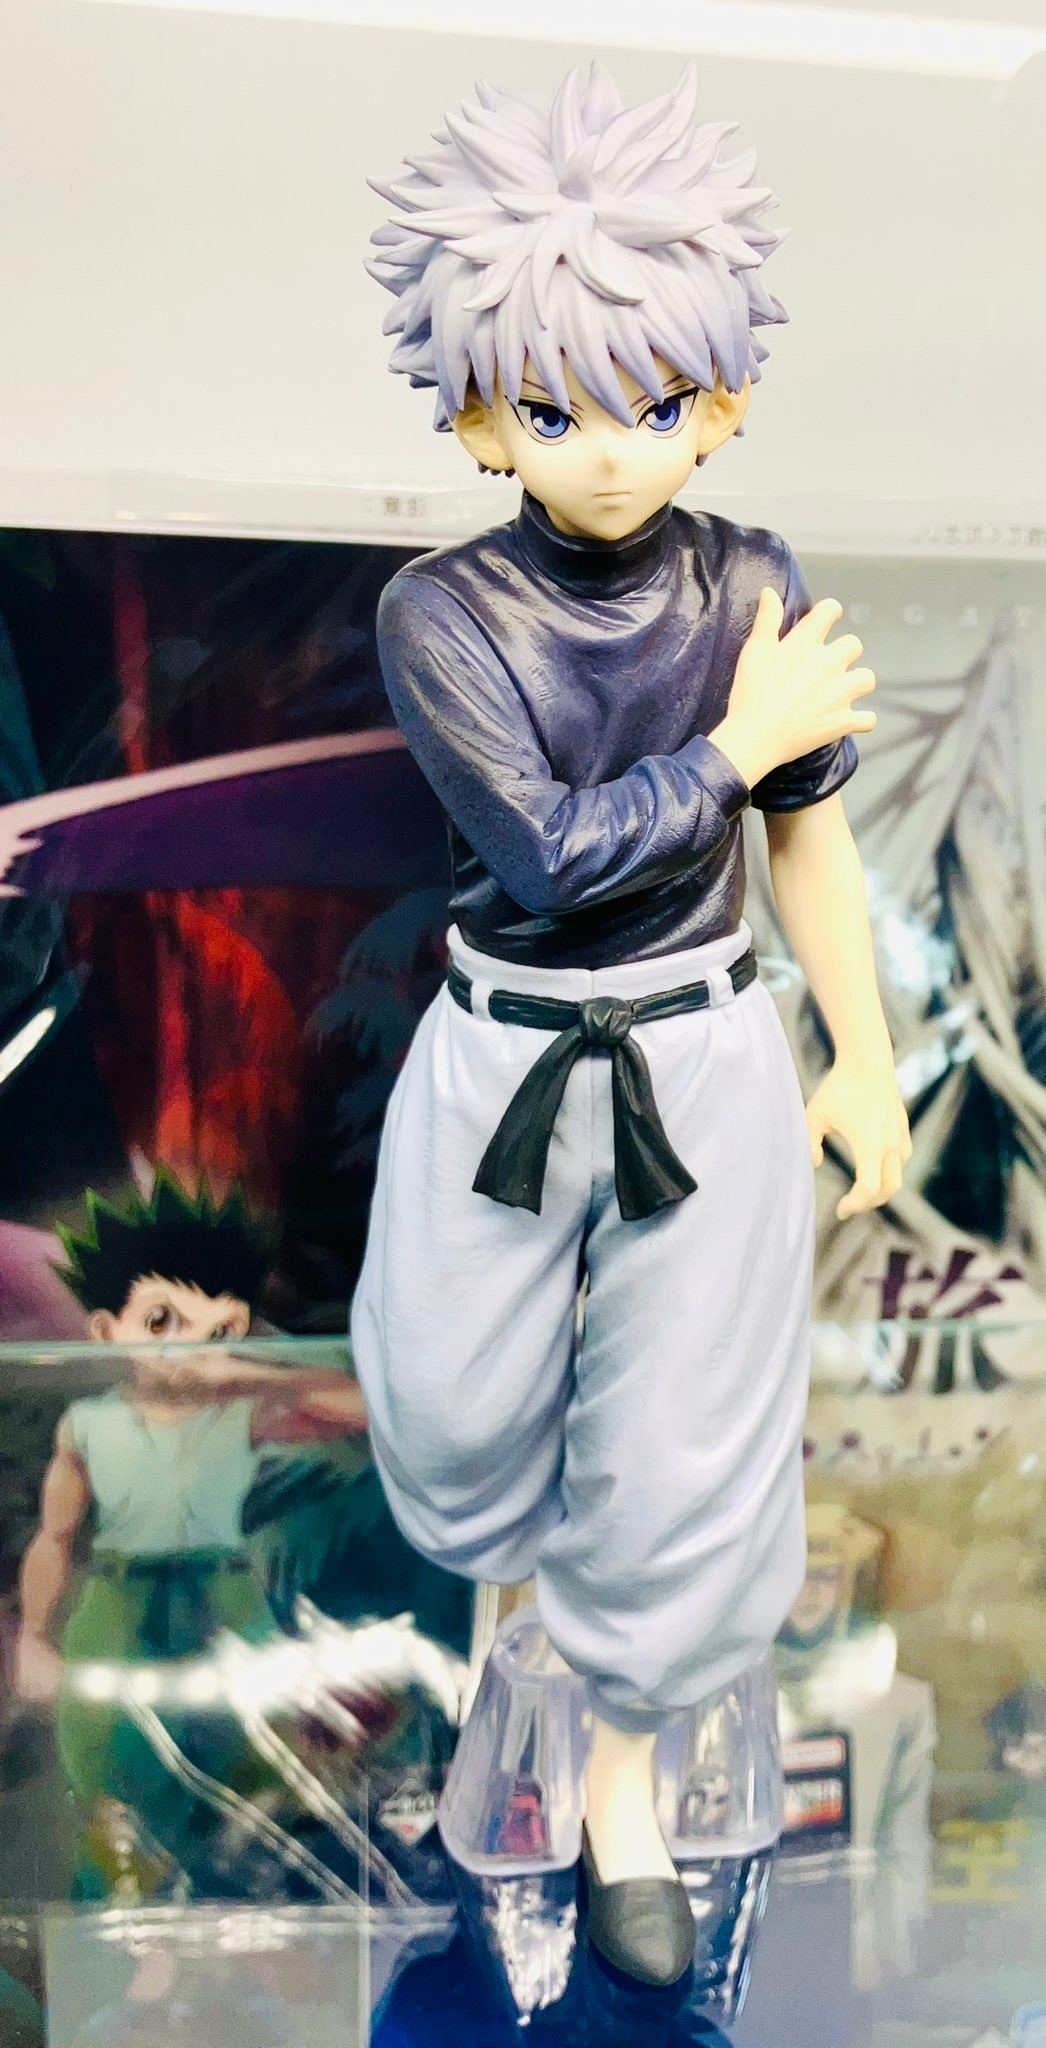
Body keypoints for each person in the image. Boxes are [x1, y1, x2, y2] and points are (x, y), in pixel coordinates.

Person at [354, 60, 911, 1985]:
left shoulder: (748, 576)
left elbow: (809, 835)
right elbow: (551, 848)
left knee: (685, 1451)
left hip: (702, 1050)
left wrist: (867, 1055)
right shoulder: (440, 612)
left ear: (724, 399)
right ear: (478, 411)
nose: (608, 449)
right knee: (451, 1407)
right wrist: (739, 741)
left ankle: (620, 1788)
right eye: (555, 406)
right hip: (505, 1051)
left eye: (656, 402)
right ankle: (518, 1641)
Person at [15, 1170, 369, 1897]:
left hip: (223, 1587)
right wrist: (34, 1638)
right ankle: (124, 1889)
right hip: (120, 1594)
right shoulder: (88, 1423)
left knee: (256, 1746)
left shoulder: (240, 1409)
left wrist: (249, 1374)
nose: (189, 1348)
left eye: (217, 1328)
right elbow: (54, 1536)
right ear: (106, 1331)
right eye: (161, 1322)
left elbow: (364, 1410)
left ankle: (244, 1876)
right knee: (102, 1749)